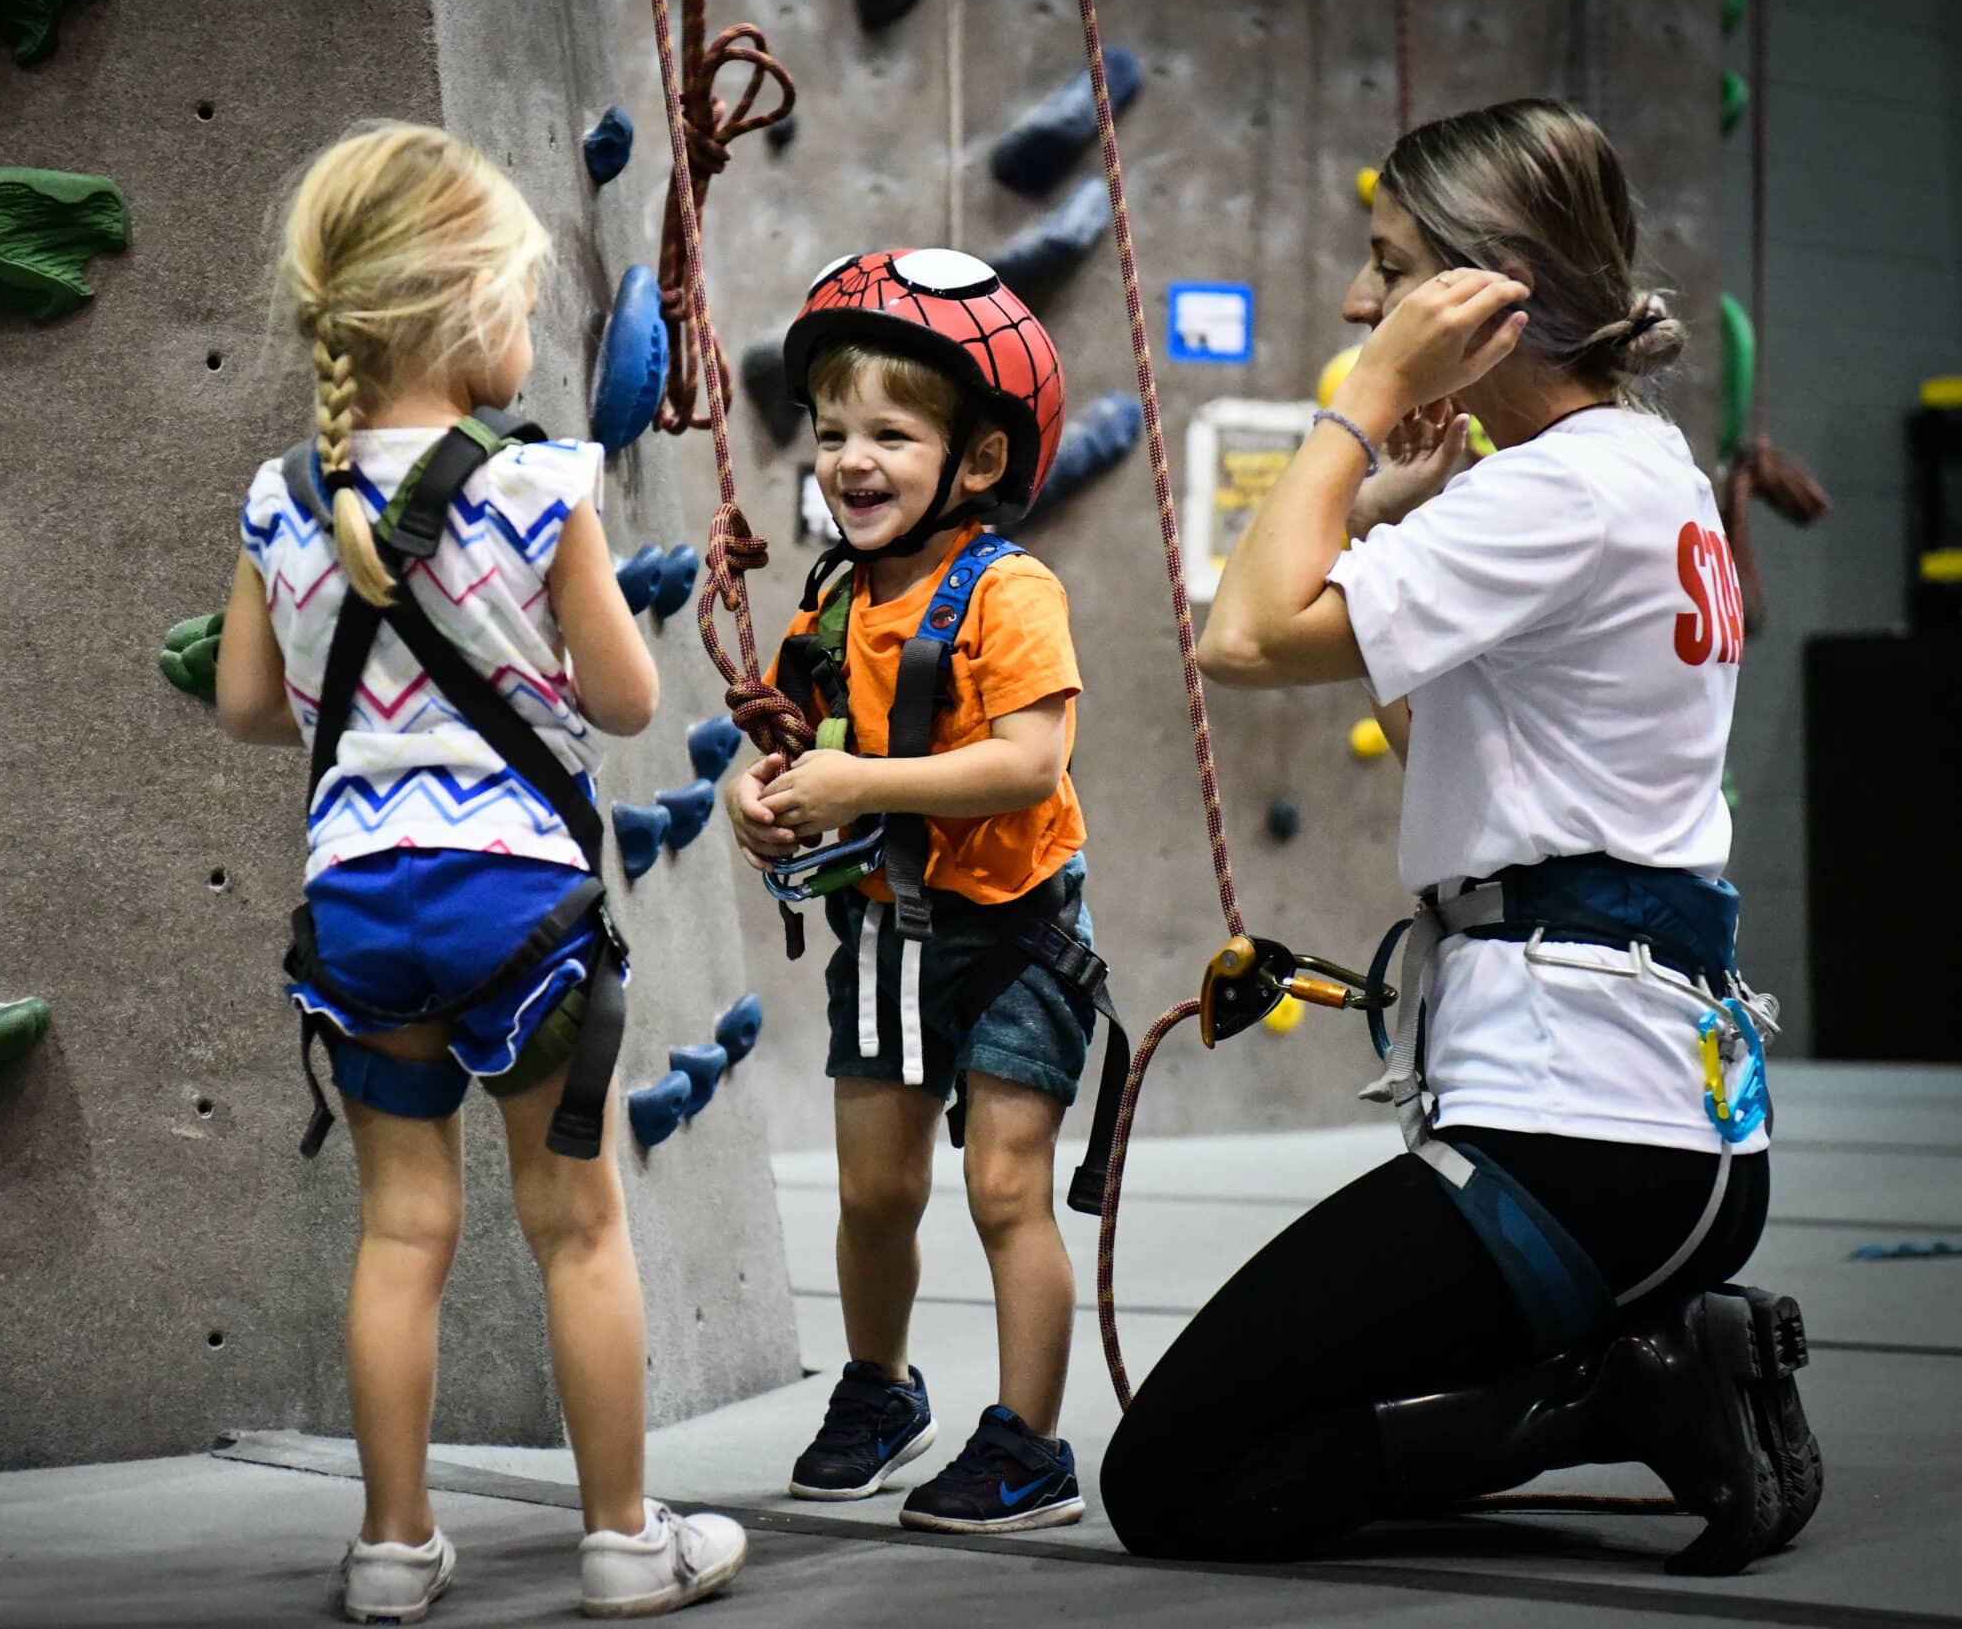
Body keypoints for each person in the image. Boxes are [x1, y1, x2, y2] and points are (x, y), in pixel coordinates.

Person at [1100, 98, 1818, 1575]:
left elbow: (1238, 636)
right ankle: (1628, 1367)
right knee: (1244, 1425)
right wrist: (1395, 503)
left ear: (1484, 298)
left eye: (1391, 271)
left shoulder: (1560, 495)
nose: (1363, 304)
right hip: (1657, 1130)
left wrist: (1357, 410)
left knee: (1175, 1480)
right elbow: (1460, 748)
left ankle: (1613, 1392)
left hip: (1578, 1135)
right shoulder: (1637, 471)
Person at [214, 121, 747, 1622]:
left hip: (361, 906)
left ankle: (390, 1550)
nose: (528, 329)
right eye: (518, 299)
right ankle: (627, 1540)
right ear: (464, 309)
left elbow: (252, 706)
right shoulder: (542, 484)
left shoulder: (281, 498)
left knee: (400, 1228)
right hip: (518, 902)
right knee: (574, 1223)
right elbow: (631, 699)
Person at [727, 249, 1118, 1534]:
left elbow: (1029, 760)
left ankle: (1029, 1446)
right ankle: (883, 1389)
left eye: (891, 432)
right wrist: (766, 794)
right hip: (887, 935)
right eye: (832, 429)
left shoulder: (1010, 590)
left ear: (981, 461)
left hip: (1014, 934)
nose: (850, 458)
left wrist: (864, 786)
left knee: (1006, 1186)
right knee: (874, 1190)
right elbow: (796, 743)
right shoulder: (834, 596)